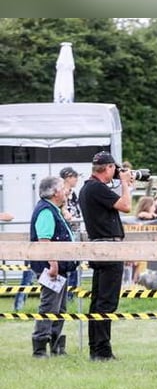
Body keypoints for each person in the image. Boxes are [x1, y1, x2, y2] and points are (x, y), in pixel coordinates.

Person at [78, 151, 134, 361]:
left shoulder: (89, 188)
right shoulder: (96, 188)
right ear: (108, 168)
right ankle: (102, 351)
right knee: (106, 303)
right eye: (114, 168)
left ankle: (97, 349)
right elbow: (126, 206)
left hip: (100, 248)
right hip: (108, 249)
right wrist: (125, 184)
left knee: (98, 301)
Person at [29, 176, 78, 357]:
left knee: (59, 309)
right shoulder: (46, 211)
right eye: (63, 188)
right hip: (51, 268)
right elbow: (44, 240)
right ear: (55, 192)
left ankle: (56, 345)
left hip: (58, 267)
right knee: (49, 307)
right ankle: (40, 348)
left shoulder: (53, 209)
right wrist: (54, 264)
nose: (66, 192)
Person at [60, 167, 83, 300]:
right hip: (66, 231)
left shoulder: (73, 193)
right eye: (75, 177)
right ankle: (67, 295)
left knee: (74, 262)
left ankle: (70, 295)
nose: (76, 180)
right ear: (68, 177)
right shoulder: (61, 192)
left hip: (74, 229)